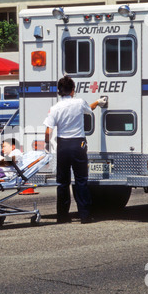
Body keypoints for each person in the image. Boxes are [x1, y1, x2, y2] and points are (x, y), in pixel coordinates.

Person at [43, 76, 107, 224]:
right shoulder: (79, 103)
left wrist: (47, 144)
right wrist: (98, 102)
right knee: (81, 180)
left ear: (60, 91)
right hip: (78, 144)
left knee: (63, 182)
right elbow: (89, 109)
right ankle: (84, 215)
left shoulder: (55, 108)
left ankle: (62, 216)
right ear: (73, 90)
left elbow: (48, 131)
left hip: (63, 146)